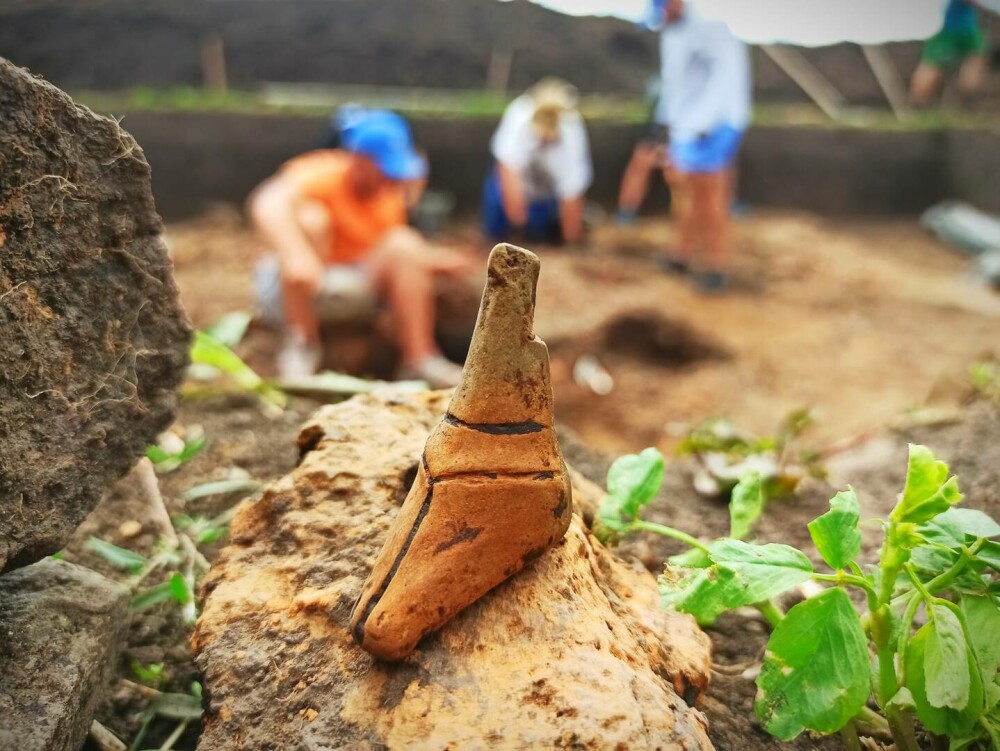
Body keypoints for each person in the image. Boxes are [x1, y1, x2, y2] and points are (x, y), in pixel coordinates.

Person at [248, 110, 470, 387]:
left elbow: (374, 247)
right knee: (311, 219)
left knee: (405, 243)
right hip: (295, 286)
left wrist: (428, 261)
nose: (390, 179)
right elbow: (267, 202)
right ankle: (301, 343)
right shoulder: (324, 171)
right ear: (360, 159)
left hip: (350, 282)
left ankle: (419, 358)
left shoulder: (387, 195)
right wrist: (297, 254)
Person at [653, 0, 751, 292]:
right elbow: (675, 84)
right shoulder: (672, 32)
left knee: (709, 195)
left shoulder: (711, 28)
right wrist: (667, 127)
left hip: (713, 126)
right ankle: (681, 253)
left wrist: (705, 124)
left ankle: (717, 264)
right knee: (685, 190)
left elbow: (727, 77)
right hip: (688, 127)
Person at [482, 78, 593, 246]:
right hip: (517, 186)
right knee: (498, 214)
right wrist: (518, 228)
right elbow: (508, 172)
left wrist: (572, 241)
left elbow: (572, 192)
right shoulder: (519, 115)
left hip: (544, 193)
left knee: (541, 233)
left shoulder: (571, 130)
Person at [910, 0, 994, 107]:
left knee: (978, 58)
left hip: (967, 31)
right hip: (949, 32)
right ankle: (918, 102)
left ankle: (968, 91)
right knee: (931, 67)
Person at [615, 76, 671, 225]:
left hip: (694, 128)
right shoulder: (661, 86)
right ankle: (625, 214)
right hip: (661, 127)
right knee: (641, 161)